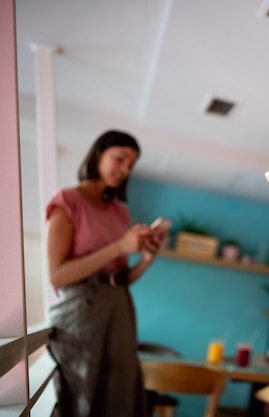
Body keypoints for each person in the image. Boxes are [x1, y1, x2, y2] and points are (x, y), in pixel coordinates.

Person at [46, 130, 167, 417]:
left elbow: (121, 278)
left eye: (131, 165)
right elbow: (57, 276)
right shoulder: (68, 201)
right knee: (80, 394)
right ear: (98, 154)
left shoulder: (118, 212)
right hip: (80, 312)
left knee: (119, 396)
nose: (125, 170)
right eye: (120, 159)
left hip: (120, 307)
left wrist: (147, 258)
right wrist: (119, 246)